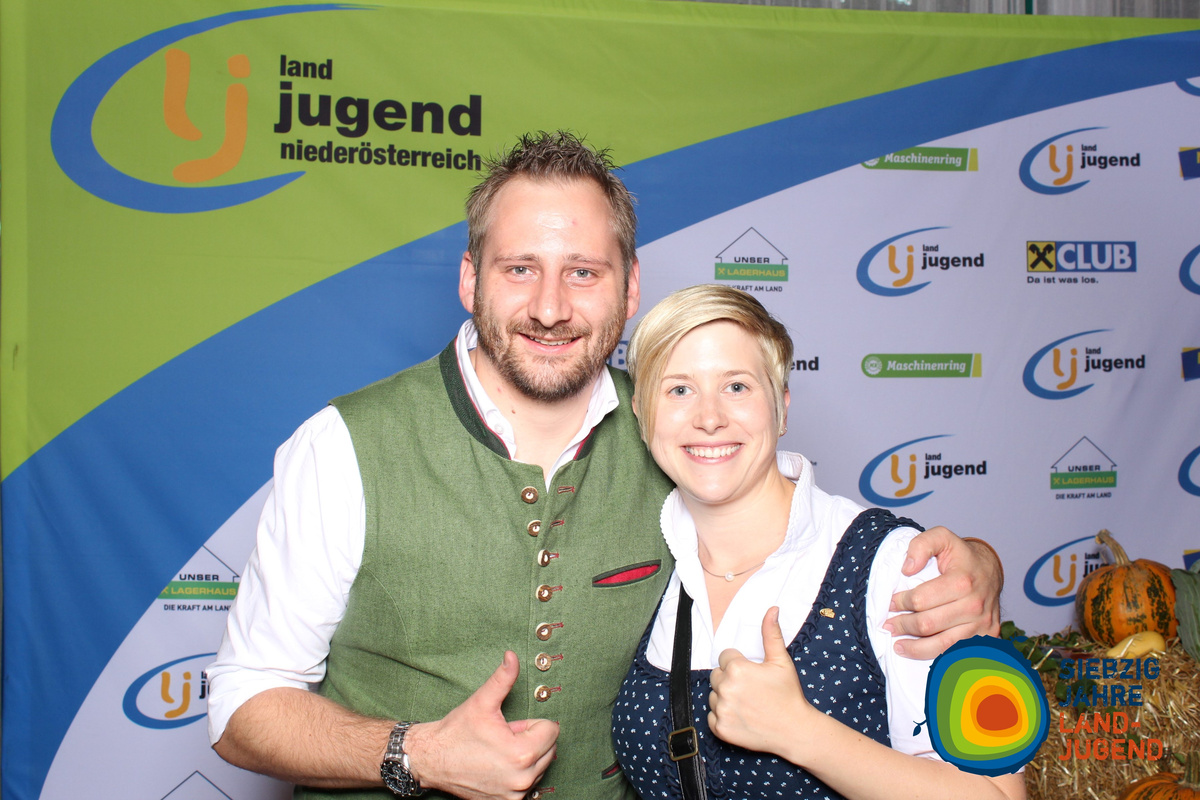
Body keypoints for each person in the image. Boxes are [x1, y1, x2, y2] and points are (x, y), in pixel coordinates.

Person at [207, 132, 1005, 800]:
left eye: (583, 272)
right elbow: (243, 705)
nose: (551, 307)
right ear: (470, 278)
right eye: (520, 268)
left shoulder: (674, 437)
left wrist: (968, 565)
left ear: (629, 290)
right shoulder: (344, 447)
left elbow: (802, 527)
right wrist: (416, 753)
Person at [612, 284, 1022, 800]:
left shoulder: (897, 565)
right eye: (678, 390)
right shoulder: (642, 556)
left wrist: (802, 732)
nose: (709, 417)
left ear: (781, 407)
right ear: (641, 414)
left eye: (736, 386)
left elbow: (998, 793)